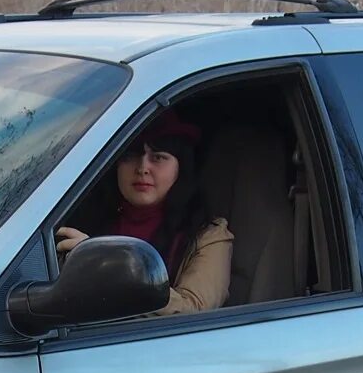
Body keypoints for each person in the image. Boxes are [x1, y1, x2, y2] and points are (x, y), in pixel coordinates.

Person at [55, 111, 233, 316]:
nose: (142, 168)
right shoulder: (81, 218)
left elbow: (192, 313)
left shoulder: (209, 235)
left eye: (158, 157)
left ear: (180, 168)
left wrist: (108, 268)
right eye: (130, 156)